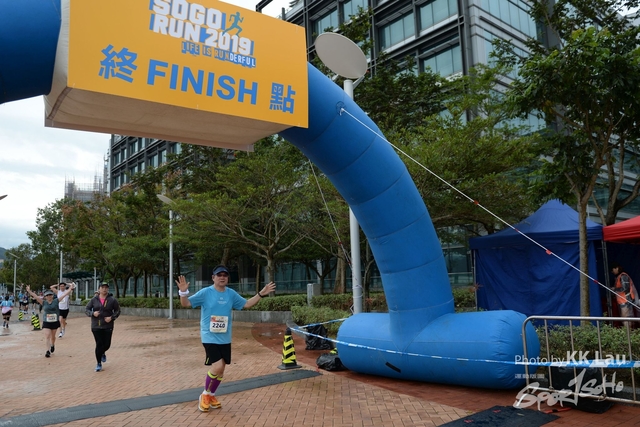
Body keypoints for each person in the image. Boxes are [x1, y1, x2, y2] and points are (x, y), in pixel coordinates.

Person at [176, 265, 276, 412]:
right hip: (209, 336)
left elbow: (247, 304)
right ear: (213, 277)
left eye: (225, 275)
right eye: (219, 275)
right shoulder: (206, 292)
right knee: (217, 366)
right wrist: (183, 292)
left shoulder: (231, 294)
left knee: (221, 370)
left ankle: (211, 395)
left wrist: (261, 293)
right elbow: (185, 303)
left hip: (225, 337)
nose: (222, 277)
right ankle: (204, 395)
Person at [25, 283, 75, 357]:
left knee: (53, 336)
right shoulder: (43, 302)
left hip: (54, 321)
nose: (49, 296)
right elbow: (36, 296)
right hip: (46, 321)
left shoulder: (56, 301)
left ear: (52, 296)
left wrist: (70, 289)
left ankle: (52, 345)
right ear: (45, 297)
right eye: (47, 295)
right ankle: (47, 351)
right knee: (47, 335)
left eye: (50, 295)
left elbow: (64, 295)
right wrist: (29, 291)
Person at [85, 282, 120, 372]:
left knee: (107, 344)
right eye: (102, 287)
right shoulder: (94, 300)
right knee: (99, 344)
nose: (104, 289)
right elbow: (87, 309)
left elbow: (117, 311)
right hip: (96, 326)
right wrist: (93, 313)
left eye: (106, 288)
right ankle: (98, 363)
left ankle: (103, 352)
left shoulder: (112, 300)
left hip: (108, 325)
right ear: (99, 289)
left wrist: (111, 317)